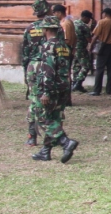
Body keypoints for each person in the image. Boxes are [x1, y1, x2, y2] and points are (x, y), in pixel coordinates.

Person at [30, 17, 79, 163]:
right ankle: (45, 151)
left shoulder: (48, 46)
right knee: (55, 117)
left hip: (51, 88)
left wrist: (46, 92)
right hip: (63, 87)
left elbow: (48, 70)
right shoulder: (64, 46)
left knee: (42, 117)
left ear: (45, 29)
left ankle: (65, 142)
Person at [22, 0, 50, 145]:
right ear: (47, 10)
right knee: (50, 100)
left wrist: (25, 72)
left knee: (34, 100)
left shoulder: (29, 29)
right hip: (48, 66)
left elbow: (25, 53)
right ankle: (52, 134)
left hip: (32, 66)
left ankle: (32, 136)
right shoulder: (53, 27)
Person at [90, 7, 111, 95]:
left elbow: (95, 35)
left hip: (104, 47)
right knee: (110, 69)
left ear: (105, 14)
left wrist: (91, 46)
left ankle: (97, 90)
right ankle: (108, 90)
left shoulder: (101, 22)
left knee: (100, 69)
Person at [52, 5, 75, 107]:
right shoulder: (68, 22)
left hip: (64, 51)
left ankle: (65, 99)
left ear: (59, 12)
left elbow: (67, 39)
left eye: (54, 13)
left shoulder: (65, 23)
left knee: (64, 75)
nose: (54, 15)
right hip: (67, 50)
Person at [70, 10, 94, 92]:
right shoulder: (84, 27)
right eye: (89, 19)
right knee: (86, 66)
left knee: (76, 66)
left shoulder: (73, 23)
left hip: (73, 48)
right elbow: (89, 40)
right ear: (85, 17)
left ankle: (74, 84)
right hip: (81, 49)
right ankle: (78, 83)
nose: (89, 21)